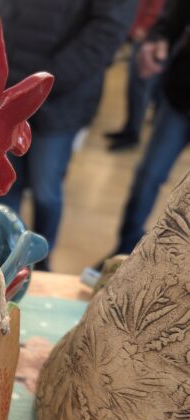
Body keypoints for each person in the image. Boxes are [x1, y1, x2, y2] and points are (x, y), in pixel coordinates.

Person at [0, 0, 138, 270]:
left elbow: (106, 31)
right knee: (4, 187)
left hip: (59, 99)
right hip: (9, 90)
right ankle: (4, 257)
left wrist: (45, 83)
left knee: (46, 189)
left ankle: (39, 262)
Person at [111, 0, 190, 256]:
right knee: (148, 176)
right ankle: (126, 252)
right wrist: (158, 39)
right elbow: (171, 19)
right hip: (179, 100)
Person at [105, 0, 167, 151]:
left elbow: (157, 7)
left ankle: (132, 135)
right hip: (146, 33)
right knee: (137, 89)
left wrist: (144, 26)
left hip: (148, 36)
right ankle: (129, 129)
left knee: (140, 90)